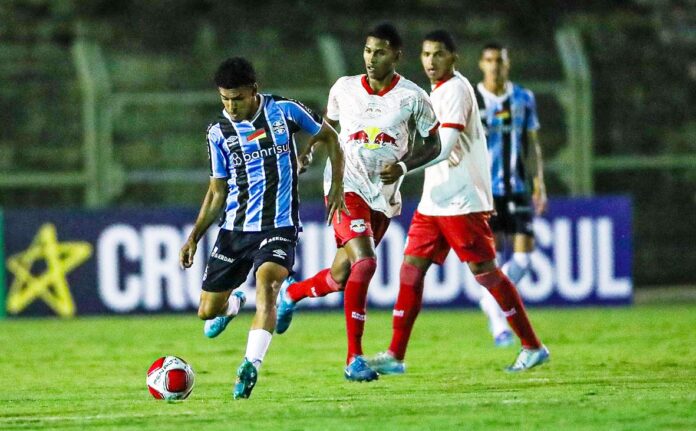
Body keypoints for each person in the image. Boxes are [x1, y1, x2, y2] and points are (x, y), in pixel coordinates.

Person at [367, 30, 549, 375]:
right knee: (411, 269)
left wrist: (403, 167)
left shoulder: (455, 91)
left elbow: (445, 146)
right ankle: (395, 354)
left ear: (454, 58)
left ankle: (532, 346)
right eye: (425, 54)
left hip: (462, 200)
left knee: (486, 273)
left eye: (438, 54)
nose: (431, 61)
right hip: (436, 200)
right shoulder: (435, 91)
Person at [274, 23, 441, 382]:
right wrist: (307, 153)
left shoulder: (412, 98)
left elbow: (434, 145)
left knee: (340, 275)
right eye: (367, 50)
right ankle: (354, 358)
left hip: (381, 197)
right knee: (365, 263)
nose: (371, 58)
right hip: (343, 186)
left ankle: (293, 293)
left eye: (379, 51)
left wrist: (402, 166)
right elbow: (326, 130)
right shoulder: (344, 89)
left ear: (396, 55)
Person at [179, 57, 345, 400]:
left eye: (237, 98)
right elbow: (216, 192)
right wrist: (194, 236)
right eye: (224, 99)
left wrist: (337, 186)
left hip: (279, 224)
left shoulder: (284, 111)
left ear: (254, 91)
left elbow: (330, 138)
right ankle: (234, 303)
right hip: (235, 230)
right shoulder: (218, 133)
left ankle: (250, 364)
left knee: (267, 284)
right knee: (207, 312)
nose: (231, 106)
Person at [471, 42, 548, 343]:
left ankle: (489, 301)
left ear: (508, 63)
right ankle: (498, 324)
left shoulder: (523, 98)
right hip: (483, 193)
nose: (494, 66)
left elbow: (532, 144)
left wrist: (538, 181)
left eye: (499, 60)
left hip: (516, 189)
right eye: (489, 60)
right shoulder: (472, 98)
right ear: (481, 64)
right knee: (488, 262)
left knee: (523, 259)